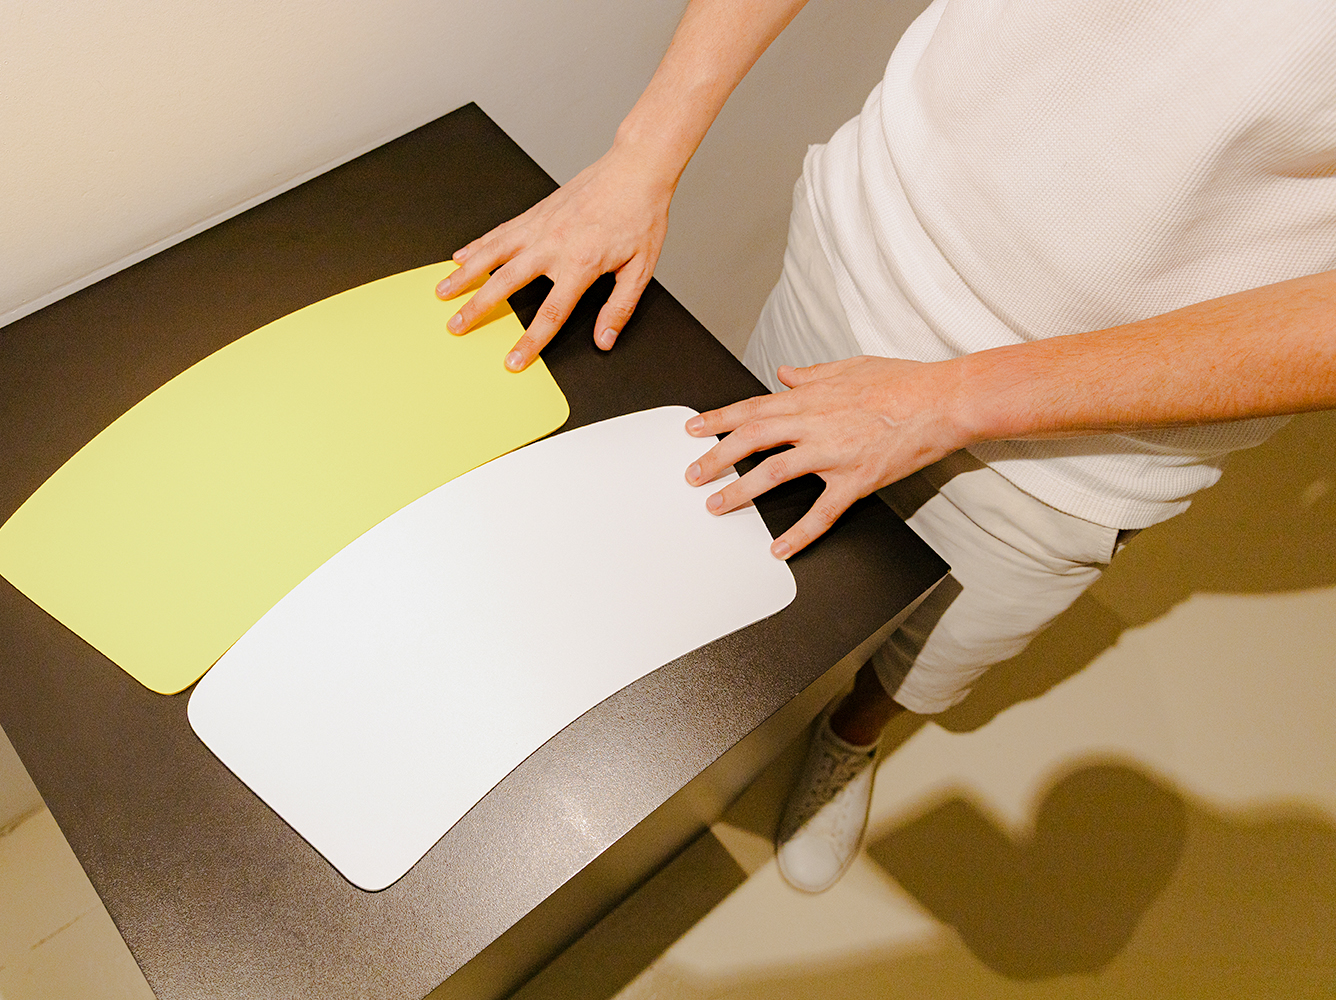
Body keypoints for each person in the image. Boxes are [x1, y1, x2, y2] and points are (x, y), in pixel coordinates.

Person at [438, 0, 1336, 892]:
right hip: (874, 244)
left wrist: (953, 399)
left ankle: (852, 735)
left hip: (1099, 438)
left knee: (936, 649)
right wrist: (641, 153)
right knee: (736, 560)